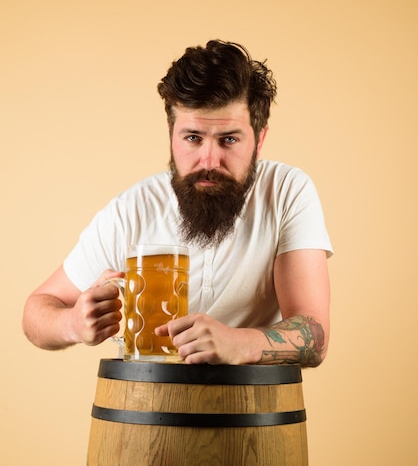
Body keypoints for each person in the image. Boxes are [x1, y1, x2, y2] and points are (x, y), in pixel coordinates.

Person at [22, 39, 332, 367]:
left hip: (256, 412)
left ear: (260, 140)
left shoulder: (286, 191)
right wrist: (72, 323)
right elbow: (36, 312)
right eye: (193, 138)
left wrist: (240, 343)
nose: (209, 160)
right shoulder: (133, 210)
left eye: (229, 139)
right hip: (141, 411)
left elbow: (315, 334)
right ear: (171, 135)